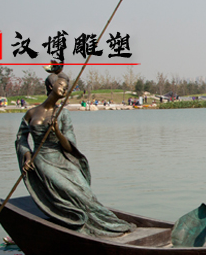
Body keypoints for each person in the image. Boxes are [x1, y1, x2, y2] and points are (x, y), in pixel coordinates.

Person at [16, 65, 135, 237]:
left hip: (61, 158)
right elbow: (21, 138)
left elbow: (69, 146)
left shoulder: (63, 114)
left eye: (67, 88)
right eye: (62, 85)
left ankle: (108, 223)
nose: (65, 90)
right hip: (42, 160)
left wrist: (57, 131)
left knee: (85, 193)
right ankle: (79, 219)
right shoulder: (31, 113)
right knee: (70, 191)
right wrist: (27, 156)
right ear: (51, 86)